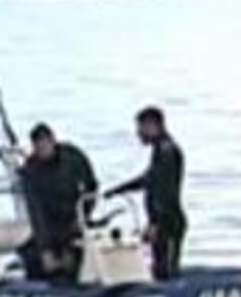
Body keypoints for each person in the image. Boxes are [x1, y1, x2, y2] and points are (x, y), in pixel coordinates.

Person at [104, 106, 186, 281]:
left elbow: (166, 191)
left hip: (168, 222)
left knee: (167, 272)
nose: (138, 134)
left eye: (140, 129)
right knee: (159, 267)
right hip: (164, 221)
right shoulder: (160, 151)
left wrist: (156, 223)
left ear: (152, 126)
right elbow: (148, 180)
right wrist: (118, 190)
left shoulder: (166, 152)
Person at [16, 122, 99, 282]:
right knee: (32, 256)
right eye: (38, 146)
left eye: (45, 144)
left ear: (53, 141)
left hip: (75, 219)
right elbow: (35, 211)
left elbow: (91, 187)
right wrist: (45, 249)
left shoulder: (72, 156)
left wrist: (83, 216)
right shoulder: (31, 169)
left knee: (77, 252)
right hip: (49, 224)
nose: (43, 150)